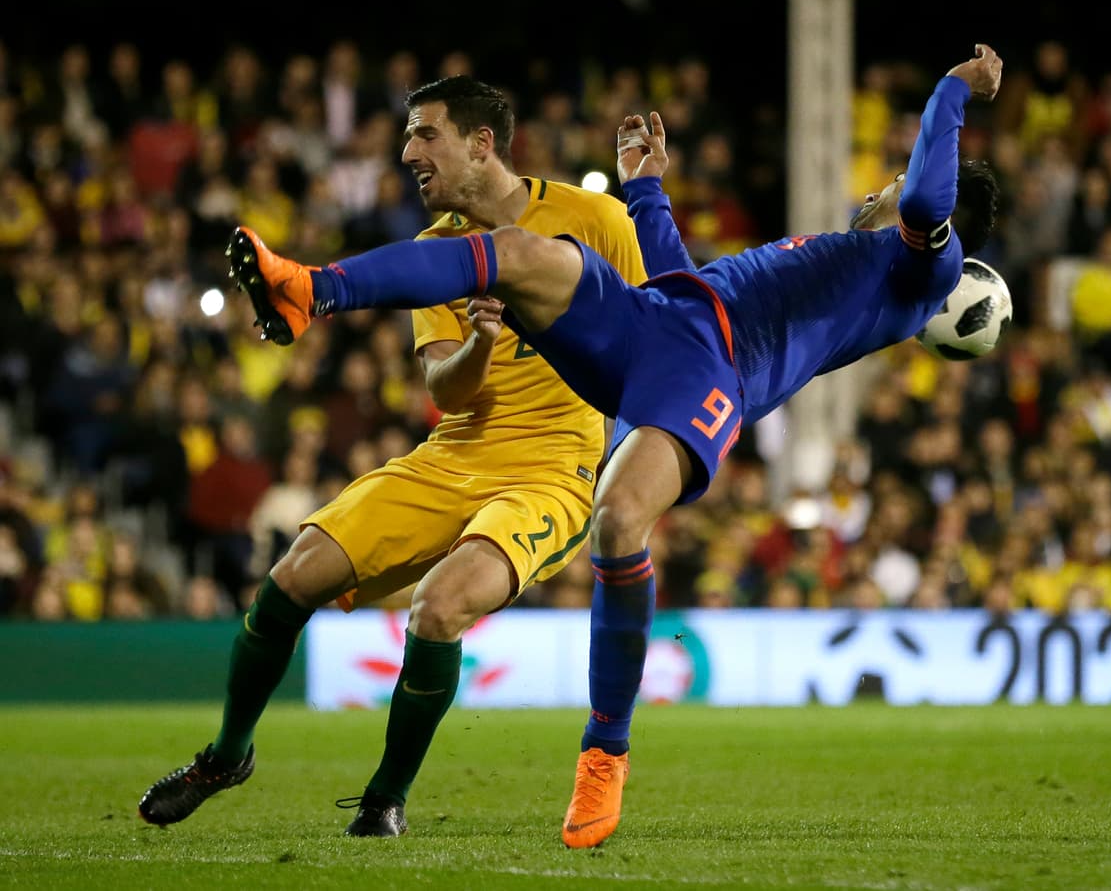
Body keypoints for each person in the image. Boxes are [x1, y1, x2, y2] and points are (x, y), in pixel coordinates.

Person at [225, 45, 1004, 848]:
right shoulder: (833, 255)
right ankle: (309, 291)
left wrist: (952, 90)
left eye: (884, 192)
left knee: (620, 518)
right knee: (521, 249)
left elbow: (922, 196)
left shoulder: (921, 271)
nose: (872, 196)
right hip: (661, 324)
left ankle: (605, 752)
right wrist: (644, 188)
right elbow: (680, 281)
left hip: (712, 378)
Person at [137, 75, 651, 837]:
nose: (408, 151)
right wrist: (480, 342)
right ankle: (224, 756)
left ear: (482, 144)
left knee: (440, 607)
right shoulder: (433, 253)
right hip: (455, 454)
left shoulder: (596, 219)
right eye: (409, 135)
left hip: (552, 469)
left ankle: (384, 799)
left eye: (425, 134)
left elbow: (649, 339)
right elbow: (448, 392)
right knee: (289, 580)